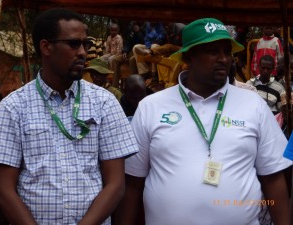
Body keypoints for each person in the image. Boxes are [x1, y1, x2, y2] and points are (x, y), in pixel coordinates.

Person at [115, 18, 291, 225]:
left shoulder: (254, 105)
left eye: (227, 52)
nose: (224, 59)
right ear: (189, 57)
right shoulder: (151, 107)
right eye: (213, 51)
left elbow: (273, 178)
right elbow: (133, 182)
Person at [0, 8, 138, 225]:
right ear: (46, 47)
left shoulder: (105, 103)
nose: (82, 52)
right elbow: (3, 189)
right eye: (73, 44)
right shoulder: (13, 107)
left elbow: (116, 184)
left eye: (85, 44)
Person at [111, 22, 145, 88]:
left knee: (131, 60)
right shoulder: (130, 28)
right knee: (115, 60)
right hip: (130, 52)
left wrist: (138, 32)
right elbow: (128, 43)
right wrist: (125, 51)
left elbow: (144, 42)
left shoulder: (144, 27)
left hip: (139, 52)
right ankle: (115, 86)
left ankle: (132, 86)